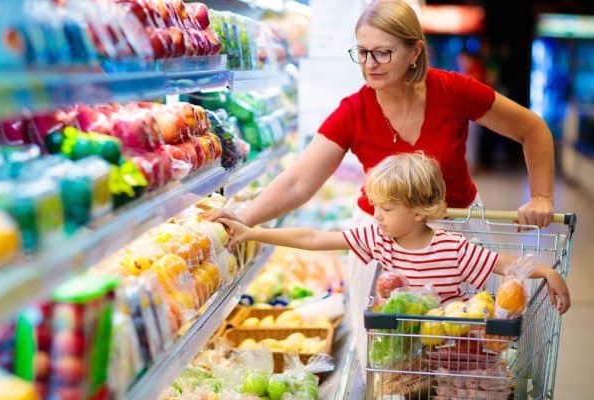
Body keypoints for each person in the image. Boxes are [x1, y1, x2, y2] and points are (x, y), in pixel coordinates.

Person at [206, 0, 555, 228]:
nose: (370, 65)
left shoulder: (453, 90)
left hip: (457, 233)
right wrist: (242, 217)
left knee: (459, 341)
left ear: (415, 51)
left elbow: (532, 129)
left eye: (383, 53)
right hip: (383, 242)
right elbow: (299, 182)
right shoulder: (354, 111)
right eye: (362, 52)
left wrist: (541, 196)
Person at [218, 153, 570, 313]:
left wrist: (547, 271)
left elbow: (501, 263)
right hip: (397, 358)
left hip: (446, 358)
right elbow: (313, 238)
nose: (377, 215)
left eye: (386, 209)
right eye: (376, 207)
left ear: (418, 212)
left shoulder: (453, 248)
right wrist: (252, 233)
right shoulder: (378, 238)